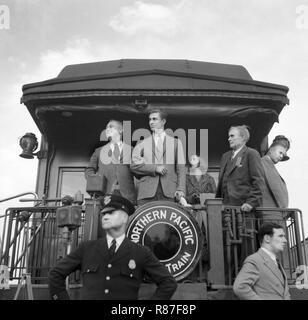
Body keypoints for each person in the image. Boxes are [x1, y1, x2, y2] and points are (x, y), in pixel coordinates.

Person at [48, 194, 177, 300]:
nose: (105, 217)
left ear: (125, 218)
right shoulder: (86, 248)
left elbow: (168, 283)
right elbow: (55, 274)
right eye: (103, 214)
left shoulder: (141, 252)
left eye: (111, 212)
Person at [130, 109, 186, 205]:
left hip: (169, 193)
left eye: (155, 119)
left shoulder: (176, 143)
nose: (151, 122)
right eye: (150, 119)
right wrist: (155, 168)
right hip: (146, 193)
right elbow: (133, 165)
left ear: (163, 121)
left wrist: (181, 189)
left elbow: (181, 168)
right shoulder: (141, 143)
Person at [233, 222, 290, 300]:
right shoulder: (255, 260)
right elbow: (240, 287)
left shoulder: (275, 261)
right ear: (267, 238)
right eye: (280, 236)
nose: (285, 240)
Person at [85, 120, 136, 205]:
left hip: (127, 196)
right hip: (104, 195)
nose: (107, 129)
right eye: (106, 128)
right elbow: (89, 169)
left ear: (121, 130)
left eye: (111, 126)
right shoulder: (98, 151)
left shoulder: (131, 150)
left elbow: (139, 169)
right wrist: (95, 181)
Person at [216, 125, 265, 211]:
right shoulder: (225, 156)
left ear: (243, 137)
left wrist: (251, 203)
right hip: (225, 209)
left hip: (243, 209)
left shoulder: (251, 154)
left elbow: (258, 181)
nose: (229, 139)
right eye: (229, 136)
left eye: (232, 136)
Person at [261, 135, 290, 221]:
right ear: (271, 149)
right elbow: (276, 188)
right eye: (280, 152)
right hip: (271, 214)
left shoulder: (267, 164)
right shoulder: (265, 163)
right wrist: (284, 209)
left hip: (272, 214)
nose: (281, 156)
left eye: (283, 155)